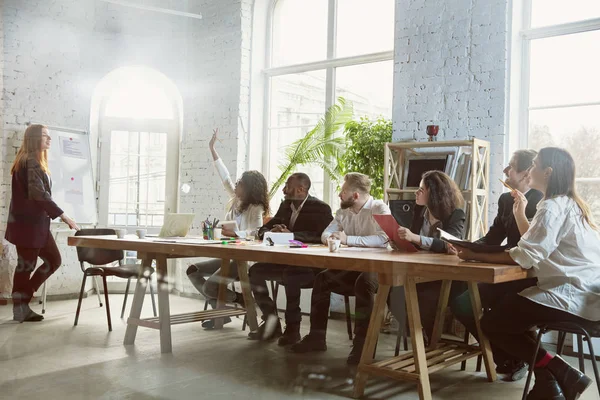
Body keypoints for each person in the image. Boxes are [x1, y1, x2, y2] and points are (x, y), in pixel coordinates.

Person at [455, 147, 600, 400]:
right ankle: (549, 381)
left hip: (569, 296)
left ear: (548, 171)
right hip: (585, 293)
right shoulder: (570, 204)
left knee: (493, 323)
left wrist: (474, 255)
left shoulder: (552, 206)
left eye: (534, 165)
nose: (531, 170)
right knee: (507, 310)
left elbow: (524, 255)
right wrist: (520, 214)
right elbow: (534, 240)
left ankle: (560, 370)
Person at [449, 149, 543, 381]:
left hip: (530, 276)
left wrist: (476, 254)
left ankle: (518, 358)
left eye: (510, 165)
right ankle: (506, 356)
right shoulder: (504, 199)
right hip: (505, 272)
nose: (504, 170)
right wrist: (467, 246)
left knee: (498, 308)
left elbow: (531, 250)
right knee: (462, 305)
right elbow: (492, 237)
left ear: (526, 173)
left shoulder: (542, 202)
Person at [290, 173, 390, 357]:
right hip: (352, 267)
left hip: (379, 269)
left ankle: (363, 346)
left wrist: (348, 239)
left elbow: (384, 239)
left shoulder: (379, 208)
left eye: (343, 191)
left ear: (356, 195)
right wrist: (332, 238)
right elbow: (325, 233)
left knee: (364, 282)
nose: (339, 195)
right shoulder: (344, 211)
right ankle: (316, 338)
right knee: (322, 279)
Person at [186, 128, 270, 329]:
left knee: (211, 285)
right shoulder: (235, 200)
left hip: (243, 260)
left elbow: (257, 233)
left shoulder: (256, 208)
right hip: (227, 254)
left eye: (240, 183)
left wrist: (236, 233)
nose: (236, 184)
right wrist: (212, 148)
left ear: (249, 188)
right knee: (192, 271)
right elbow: (224, 176)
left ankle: (240, 300)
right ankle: (222, 313)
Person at [5, 124, 79, 322]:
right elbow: (39, 194)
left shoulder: (33, 161)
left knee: (52, 260)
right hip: (29, 227)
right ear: (35, 138)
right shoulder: (29, 161)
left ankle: (21, 300)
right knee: (26, 266)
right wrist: (64, 216)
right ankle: (21, 307)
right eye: (45, 136)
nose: (49, 139)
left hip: (37, 227)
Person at [248, 172, 333, 342]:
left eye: (287, 186)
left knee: (291, 274)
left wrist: (292, 235)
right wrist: (271, 231)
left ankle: (293, 329)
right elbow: (265, 228)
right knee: (255, 271)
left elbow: (322, 236)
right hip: (286, 263)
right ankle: (272, 321)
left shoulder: (321, 208)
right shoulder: (286, 205)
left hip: (311, 269)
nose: (283, 189)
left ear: (301, 190)